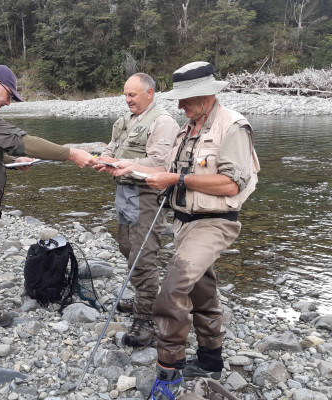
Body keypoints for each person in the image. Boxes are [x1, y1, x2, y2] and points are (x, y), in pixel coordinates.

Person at [103, 61, 260, 399]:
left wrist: (175, 179)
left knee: (172, 290)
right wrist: (129, 165)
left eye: (186, 99)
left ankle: (168, 371)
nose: (179, 105)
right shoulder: (187, 127)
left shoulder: (233, 127)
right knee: (202, 290)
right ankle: (210, 360)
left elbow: (232, 185)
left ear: (206, 94)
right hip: (183, 223)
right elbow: (166, 167)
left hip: (215, 223)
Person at [0, 65, 96, 359]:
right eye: (9, 95)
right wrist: (71, 153)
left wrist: (11, 159)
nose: (9, 102)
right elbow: (19, 138)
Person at [94, 73, 179, 347]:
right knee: (126, 248)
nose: (127, 99)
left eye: (132, 95)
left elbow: (160, 164)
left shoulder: (163, 122)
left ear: (150, 93)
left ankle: (145, 318)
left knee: (142, 256)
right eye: (125, 95)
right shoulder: (124, 120)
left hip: (147, 196)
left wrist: (121, 162)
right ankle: (144, 294)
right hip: (124, 193)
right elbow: (111, 148)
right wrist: (104, 160)